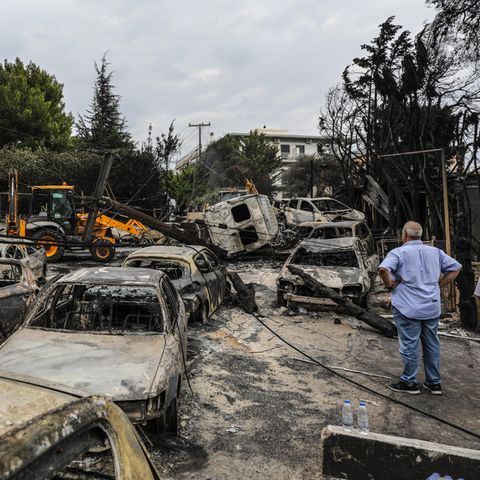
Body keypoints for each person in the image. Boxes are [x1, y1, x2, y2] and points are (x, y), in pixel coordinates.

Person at [378, 221, 462, 395]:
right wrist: (439, 284)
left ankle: (409, 382)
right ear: (420, 235)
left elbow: (383, 269)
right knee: (432, 344)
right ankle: (434, 383)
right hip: (431, 307)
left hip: (407, 307)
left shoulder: (399, 253)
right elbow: (456, 267)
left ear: (404, 235)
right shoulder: (435, 252)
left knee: (409, 344)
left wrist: (391, 285)